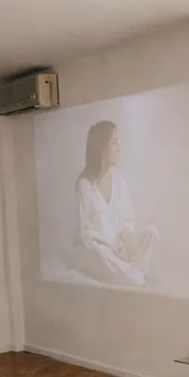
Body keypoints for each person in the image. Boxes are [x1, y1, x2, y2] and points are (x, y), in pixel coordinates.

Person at [71, 120, 158, 287]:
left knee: (150, 233)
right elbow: (86, 234)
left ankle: (133, 270)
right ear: (102, 149)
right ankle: (138, 276)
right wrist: (112, 248)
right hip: (98, 251)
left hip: (118, 247)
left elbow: (126, 221)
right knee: (98, 253)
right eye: (114, 143)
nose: (119, 148)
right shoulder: (84, 185)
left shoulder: (119, 181)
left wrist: (124, 245)